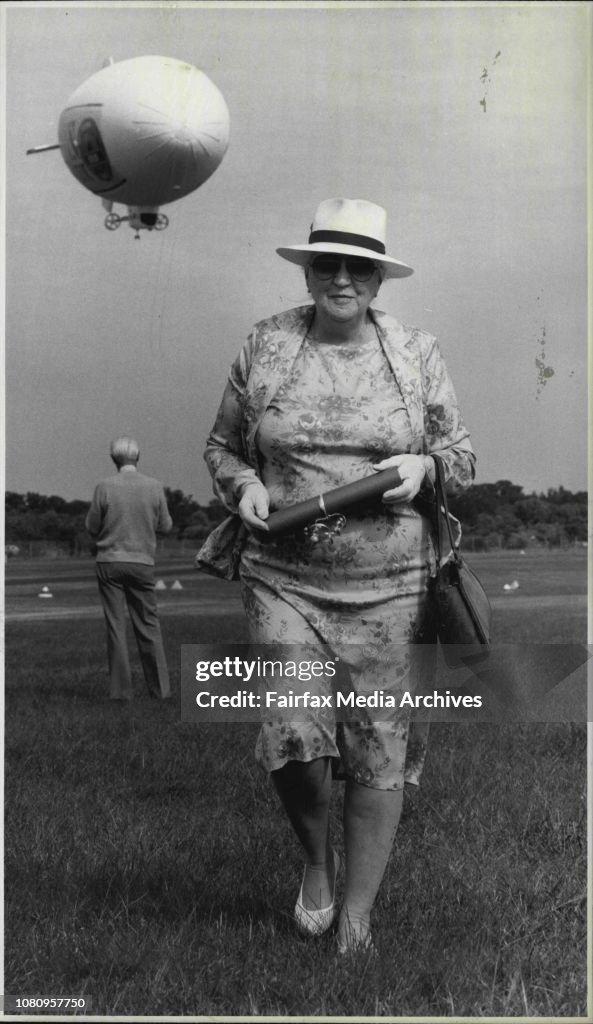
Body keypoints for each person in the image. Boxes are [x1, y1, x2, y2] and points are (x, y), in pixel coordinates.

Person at [198, 198, 475, 953]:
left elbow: (461, 457)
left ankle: (356, 914)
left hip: (391, 585)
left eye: (359, 267)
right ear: (309, 268)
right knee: (293, 734)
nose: (342, 278)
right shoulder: (267, 343)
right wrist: (244, 488)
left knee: (379, 744)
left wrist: (422, 465)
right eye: (329, 264)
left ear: (379, 280)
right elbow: (224, 447)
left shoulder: (416, 352)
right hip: (281, 576)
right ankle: (315, 865)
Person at [86, 437, 173, 701]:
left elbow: (92, 526)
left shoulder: (104, 487)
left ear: (114, 459)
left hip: (109, 561)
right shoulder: (155, 486)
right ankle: (160, 690)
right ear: (138, 457)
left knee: (116, 625)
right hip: (142, 562)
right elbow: (165, 525)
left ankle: (121, 692)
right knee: (149, 625)